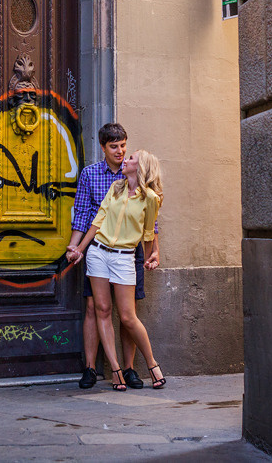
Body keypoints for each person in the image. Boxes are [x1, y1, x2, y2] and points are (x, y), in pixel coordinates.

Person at [66, 149, 166, 391]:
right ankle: (115, 369)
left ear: (140, 167)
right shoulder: (116, 188)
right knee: (102, 309)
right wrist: (79, 249)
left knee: (128, 316)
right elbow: (97, 221)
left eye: (131, 157)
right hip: (98, 253)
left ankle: (152, 365)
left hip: (124, 258)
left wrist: (153, 253)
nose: (125, 158)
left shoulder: (151, 198)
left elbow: (148, 231)